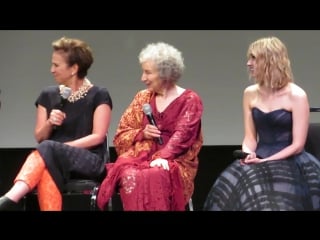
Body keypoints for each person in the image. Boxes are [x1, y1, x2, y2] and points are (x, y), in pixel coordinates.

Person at [203, 36, 320, 211]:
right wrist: (248, 153)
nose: (249, 63)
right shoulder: (250, 93)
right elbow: (250, 137)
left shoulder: (296, 95)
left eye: (254, 58)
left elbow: (297, 145)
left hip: (290, 160)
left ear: (271, 60)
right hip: (260, 157)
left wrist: (267, 162)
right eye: (249, 58)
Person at [0, 36, 113, 211]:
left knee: (49, 150)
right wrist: (49, 123)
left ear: (74, 68)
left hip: (88, 160)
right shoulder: (47, 95)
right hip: (54, 159)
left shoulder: (99, 94)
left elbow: (98, 136)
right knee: (47, 162)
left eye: (56, 65)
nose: (51, 70)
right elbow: (40, 136)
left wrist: (62, 148)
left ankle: (10, 197)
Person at [97, 42, 203, 211]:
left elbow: (184, 135)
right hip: (140, 157)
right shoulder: (142, 97)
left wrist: (163, 157)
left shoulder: (190, 100)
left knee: (155, 174)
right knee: (129, 174)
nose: (142, 78)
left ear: (165, 74)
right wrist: (142, 134)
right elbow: (122, 133)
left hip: (174, 161)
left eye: (148, 72)